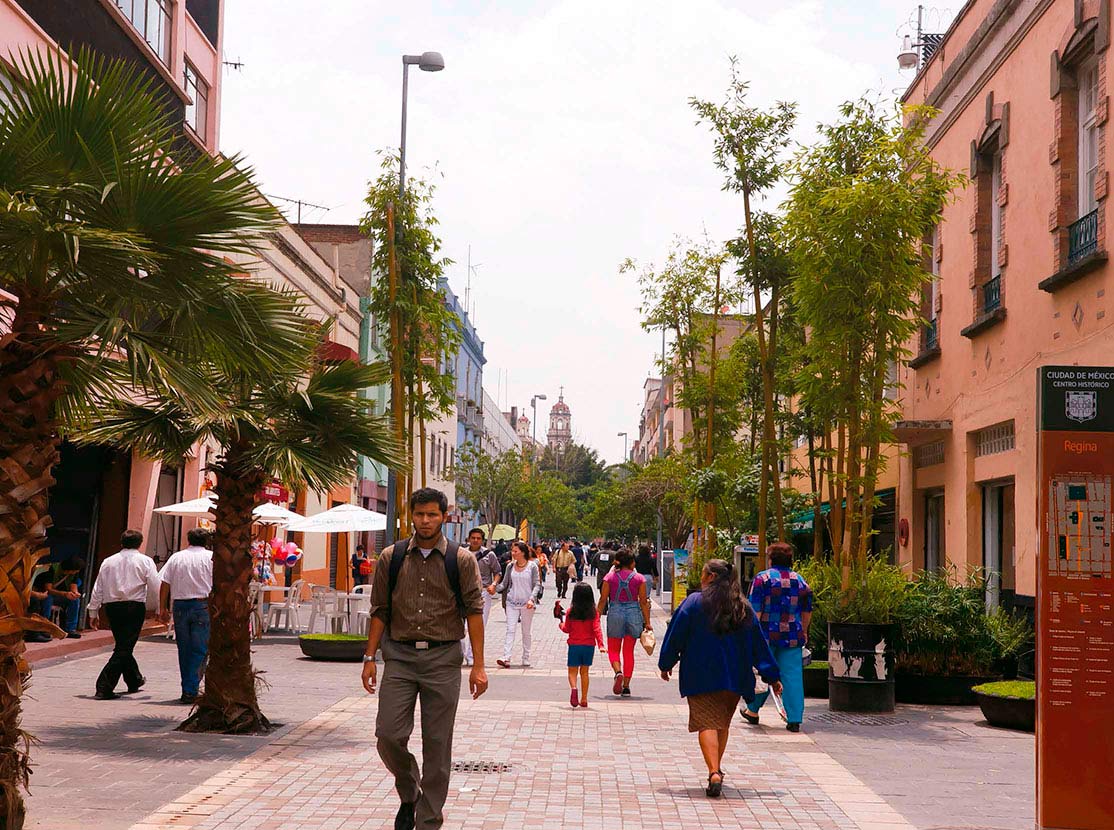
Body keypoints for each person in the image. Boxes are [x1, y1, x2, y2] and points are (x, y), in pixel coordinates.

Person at [361, 488, 487, 830]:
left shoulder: (460, 560)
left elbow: (474, 612)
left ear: (443, 516)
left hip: (443, 660)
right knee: (387, 734)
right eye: (420, 514)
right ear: (411, 515)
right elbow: (380, 610)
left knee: (437, 744)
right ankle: (409, 790)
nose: (426, 521)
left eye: (432, 514)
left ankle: (428, 820)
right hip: (399, 657)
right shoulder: (393, 556)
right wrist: (369, 656)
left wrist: (478, 665)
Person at [658, 559, 782, 798]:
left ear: (711, 576)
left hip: (700, 673)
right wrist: (772, 675)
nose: (702, 578)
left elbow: (676, 635)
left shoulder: (693, 603)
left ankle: (714, 771)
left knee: (706, 722)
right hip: (734, 676)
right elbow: (759, 645)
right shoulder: (741, 607)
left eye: (704, 573)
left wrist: (666, 663)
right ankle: (716, 769)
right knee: (721, 723)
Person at [743, 541, 813, 733]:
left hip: (765, 635)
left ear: (771, 558)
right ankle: (794, 718)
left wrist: (749, 635)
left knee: (763, 671)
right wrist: (804, 631)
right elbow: (807, 611)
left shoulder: (762, 579)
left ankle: (752, 709)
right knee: (792, 676)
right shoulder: (800, 581)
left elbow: (755, 611)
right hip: (792, 635)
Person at [87, 529, 161, 700]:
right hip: (134, 606)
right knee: (125, 647)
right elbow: (154, 585)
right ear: (140, 543)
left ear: (122, 543)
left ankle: (134, 679)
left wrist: (93, 609)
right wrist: (158, 608)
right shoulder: (145, 561)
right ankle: (104, 686)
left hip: (112, 607)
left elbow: (99, 586)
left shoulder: (108, 561)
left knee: (123, 644)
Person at [159, 527, 214, 704]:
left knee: (184, 649)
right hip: (202, 605)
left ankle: (188, 688)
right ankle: (190, 689)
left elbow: (165, 582)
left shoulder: (177, 557)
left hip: (180, 605)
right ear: (207, 541)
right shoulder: (211, 558)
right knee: (200, 649)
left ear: (188, 539)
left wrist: (162, 607)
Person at [596, 548, 651, 697]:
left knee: (613, 649)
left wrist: (596, 617)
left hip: (615, 612)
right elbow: (643, 602)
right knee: (628, 652)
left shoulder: (609, 577)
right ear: (632, 562)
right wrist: (647, 622)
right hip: (633, 613)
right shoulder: (639, 578)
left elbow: (603, 600)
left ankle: (617, 672)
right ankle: (626, 686)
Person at [496, 540, 542, 668]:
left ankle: (526, 656)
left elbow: (537, 584)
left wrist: (532, 599)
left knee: (526, 631)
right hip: (511, 601)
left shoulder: (532, 566)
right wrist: (493, 588)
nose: (513, 553)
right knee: (510, 629)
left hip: (527, 603)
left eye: (515, 551)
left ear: (522, 553)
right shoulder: (510, 566)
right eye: (512, 551)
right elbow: (504, 584)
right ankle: (506, 657)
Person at [558, 582, 605, 708]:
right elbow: (597, 629)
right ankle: (584, 699)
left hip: (574, 645)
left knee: (572, 671)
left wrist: (560, 624)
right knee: (585, 672)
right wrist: (601, 644)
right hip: (589, 646)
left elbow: (567, 629)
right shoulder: (594, 612)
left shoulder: (570, 612)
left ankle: (574, 688)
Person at [462, 527, 501, 668]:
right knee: (461, 626)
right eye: (473, 538)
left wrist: (494, 584)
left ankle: (471, 656)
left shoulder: (489, 555)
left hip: (483, 592)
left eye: (478, 538)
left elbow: (497, 572)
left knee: (478, 626)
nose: (475, 540)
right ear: (469, 539)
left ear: (482, 540)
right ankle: (461, 653)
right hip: (464, 592)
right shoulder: (462, 553)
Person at [42, 558, 85, 639]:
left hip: (62, 595)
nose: (77, 572)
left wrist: (75, 593)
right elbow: (48, 589)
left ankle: (70, 629)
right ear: (70, 570)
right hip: (48, 594)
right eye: (76, 570)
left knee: (75, 601)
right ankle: (44, 628)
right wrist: (64, 594)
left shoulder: (74, 573)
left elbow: (74, 585)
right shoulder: (52, 569)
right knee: (48, 599)